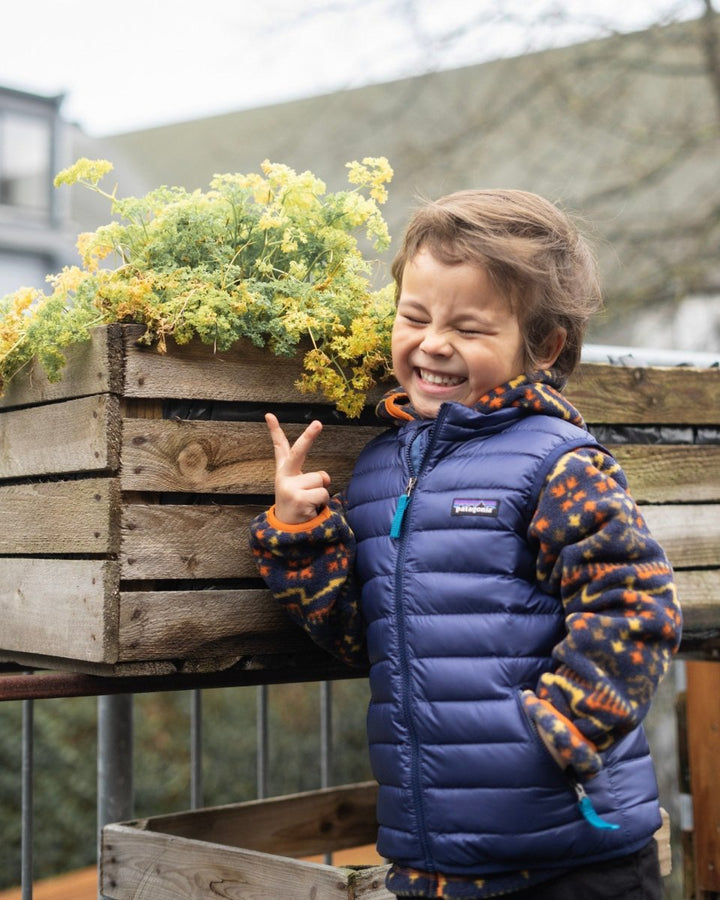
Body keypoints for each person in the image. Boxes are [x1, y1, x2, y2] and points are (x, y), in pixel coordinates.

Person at [249, 189, 682, 899]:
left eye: (469, 327)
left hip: (573, 861)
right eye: (414, 316)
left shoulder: (558, 463)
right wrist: (300, 537)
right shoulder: (384, 470)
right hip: (436, 865)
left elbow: (634, 606)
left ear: (540, 348)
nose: (432, 342)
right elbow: (369, 639)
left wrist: (557, 734)